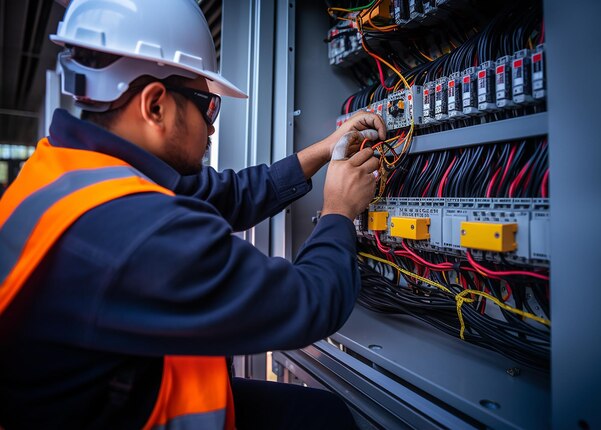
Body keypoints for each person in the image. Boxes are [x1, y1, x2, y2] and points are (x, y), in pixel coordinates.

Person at [0, 0, 385, 429]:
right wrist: (339, 211)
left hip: (113, 398)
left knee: (318, 413)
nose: (212, 127)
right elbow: (309, 303)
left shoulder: (71, 169)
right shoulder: (137, 232)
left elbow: (228, 195)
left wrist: (322, 151)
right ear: (155, 106)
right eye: (208, 106)